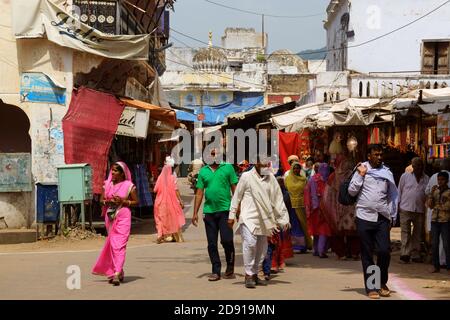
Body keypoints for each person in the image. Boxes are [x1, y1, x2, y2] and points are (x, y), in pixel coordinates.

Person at [228, 157, 290, 288]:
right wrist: (232, 215)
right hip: (248, 218)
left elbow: (278, 198)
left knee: (262, 249)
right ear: (256, 164)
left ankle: (255, 273)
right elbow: (237, 196)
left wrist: (283, 218)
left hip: (265, 219)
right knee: (250, 244)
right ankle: (248, 274)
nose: (265, 167)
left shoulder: (271, 177)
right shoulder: (246, 177)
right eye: (262, 164)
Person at [348, 144, 398, 299]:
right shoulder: (361, 169)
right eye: (376, 154)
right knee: (368, 253)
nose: (379, 157)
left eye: (380, 154)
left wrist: (393, 215)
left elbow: (393, 195)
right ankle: (373, 287)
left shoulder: (386, 172)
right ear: (369, 156)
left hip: (382, 217)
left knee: (384, 251)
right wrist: (361, 175)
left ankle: (381, 282)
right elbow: (351, 191)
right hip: (364, 216)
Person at [192, 149, 238, 281]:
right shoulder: (203, 171)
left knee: (227, 240)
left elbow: (234, 189)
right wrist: (195, 212)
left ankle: (230, 266)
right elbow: (199, 192)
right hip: (209, 212)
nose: (214, 156)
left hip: (225, 210)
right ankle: (215, 270)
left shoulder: (228, 168)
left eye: (216, 154)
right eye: (212, 154)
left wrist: (238, 208)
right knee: (212, 243)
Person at [92, 162, 139, 286]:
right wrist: (108, 201)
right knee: (113, 244)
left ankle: (117, 273)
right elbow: (101, 201)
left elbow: (136, 201)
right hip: (110, 217)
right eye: (112, 170)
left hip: (123, 216)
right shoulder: (107, 185)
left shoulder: (129, 186)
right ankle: (118, 270)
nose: (112, 173)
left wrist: (124, 201)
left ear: (122, 173)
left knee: (120, 245)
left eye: (115, 171)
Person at [325, 155, 360, 260]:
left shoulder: (333, 177)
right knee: (355, 232)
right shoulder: (356, 175)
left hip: (338, 209)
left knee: (337, 233)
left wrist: (329, 209)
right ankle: (354, 252)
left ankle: (342, 253)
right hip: (353, 209)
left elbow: (327, 195)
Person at [398, 157, 429, 263]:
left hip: (419, 209)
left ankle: (415, 254)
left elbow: (427, 194)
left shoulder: (426, 178)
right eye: (416, 165)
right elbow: (399, 191)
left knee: (417, 233)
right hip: (405, 208)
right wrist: (398, 205)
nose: (419, 167)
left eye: (421, 165)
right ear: (413, 166)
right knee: (405, 232)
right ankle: (405, 253)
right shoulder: (405, 176)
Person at [262, 177, 294, 280]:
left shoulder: (282, 196)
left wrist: (283, 221)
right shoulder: (260, 194)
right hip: (261, 225)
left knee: (272, 247)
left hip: (275, 225)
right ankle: (264, 268)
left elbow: (283, 210)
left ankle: (269, 269)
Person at [425, 158, 450, 267]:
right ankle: (437, 264)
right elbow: (430, 204)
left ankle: (447, 264)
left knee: (446, 243)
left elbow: (447, 206)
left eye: (442, 180)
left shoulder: (448, 192)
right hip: (435, 219)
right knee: (435, 243)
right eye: (439, 180)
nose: (439, 182)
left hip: (445, 220)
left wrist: (437, 205)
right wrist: (432, 194)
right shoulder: (435, 190)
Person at [153, 160, 186, 244]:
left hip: (160, 202)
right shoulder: (172, 178)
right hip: (171, 202)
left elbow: (155, 190)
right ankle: (176, 237)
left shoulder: (160, 178)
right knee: (173, 218)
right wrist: (180, 200)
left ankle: (160, 235)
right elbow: (176, 190)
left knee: (160, 218)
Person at [305, 163, 332, 258]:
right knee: (323, 230)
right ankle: (321, 251)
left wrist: (313, 207)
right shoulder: (327, 179)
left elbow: (310, 193)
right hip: (322, 208)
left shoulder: (312, 179)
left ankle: (316, 250)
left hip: (314, 209)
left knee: (316, 230)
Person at [285, 162, 313, 251]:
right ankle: (295, 246)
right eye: (294, 168)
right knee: (294, 225)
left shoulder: (304, 179)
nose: (296, 170)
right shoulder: (287, 179)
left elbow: (307, 192)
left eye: (298, 168)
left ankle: (305, 245)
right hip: (291, 206)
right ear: (292, 169)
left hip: (302, 205)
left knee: (303, 225)